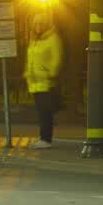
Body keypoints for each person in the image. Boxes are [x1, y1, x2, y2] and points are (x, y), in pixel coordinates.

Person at [25, 13, 64, 149]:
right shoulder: (34, 40)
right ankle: (43, 138)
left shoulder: (53, 39)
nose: (38, 26)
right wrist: (28, 74)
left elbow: (56, 58)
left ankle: (45, 139)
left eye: (41, 23)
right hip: (35, 83)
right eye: (36, 23)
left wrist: (51, 73)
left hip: (46, 82)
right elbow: (30, 59)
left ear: (46, 24)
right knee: (41, 112)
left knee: (45, 113)